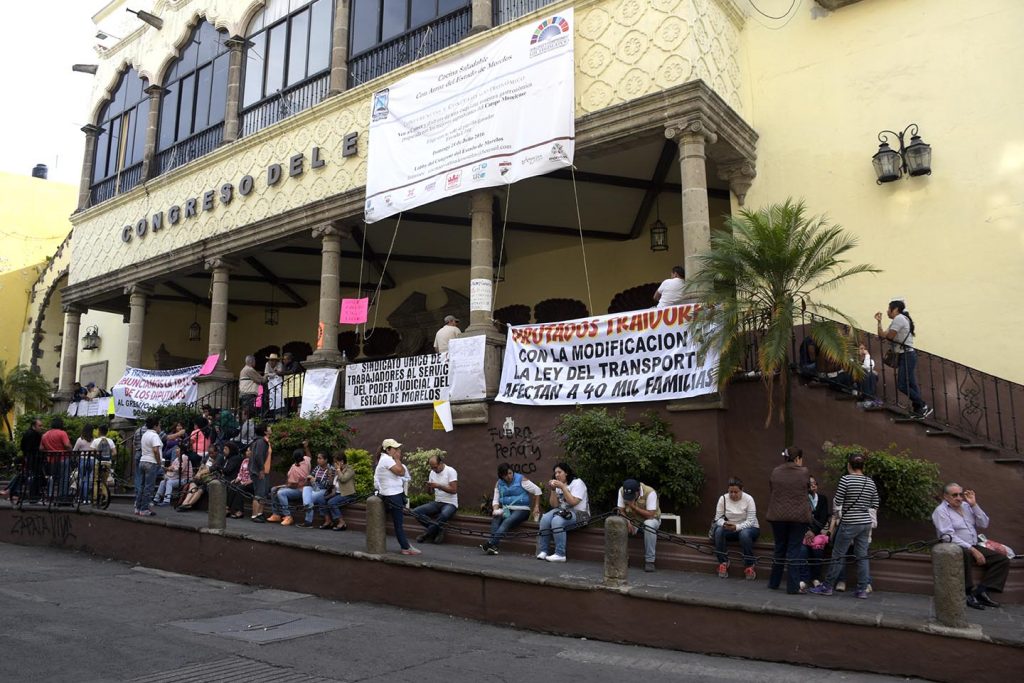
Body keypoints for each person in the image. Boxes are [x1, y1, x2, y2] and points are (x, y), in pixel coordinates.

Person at [810, 452, 880, 599]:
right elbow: (875, 503)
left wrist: (840, 515)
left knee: (838, 554)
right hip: (865, 523)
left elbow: (838, 502)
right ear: (863, 466)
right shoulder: (870, 482)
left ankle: (827, 586)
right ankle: (862, 589)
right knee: (862, 556)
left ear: (849, 465)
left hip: (849, 522)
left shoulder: (845, 480)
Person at [931, 483, 1008, 610]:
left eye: (960, 494)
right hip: (953, 547)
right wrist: (972, 550)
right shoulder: (941, 511)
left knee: (1001, 560)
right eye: (954, 495)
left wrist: (974, 505)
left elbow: (984, 523)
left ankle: (982, 591)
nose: (959, 498)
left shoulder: (967, 506)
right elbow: (947, 536)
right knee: (965, 553)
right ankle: (967, 594)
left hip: (973, 545)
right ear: (946, 496)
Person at [875, 299, 932, 418]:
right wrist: (879, 322)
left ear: (895, 309)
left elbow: (889, 336)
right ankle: (919, 410)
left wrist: (887, 335)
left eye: (888, 308)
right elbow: (882, 335)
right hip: (905, 355)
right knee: (911, 384)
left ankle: (922, 405)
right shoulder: (897, 320)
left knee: (902, 385)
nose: (887, 311)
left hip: (906, 355)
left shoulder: (899, 318)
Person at [766, 447, 811, 594]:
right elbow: (807, 488)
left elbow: (772, 488)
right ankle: (793, 587)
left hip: (777, 516)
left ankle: (774, 583)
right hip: (798, 518)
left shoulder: (775, 471)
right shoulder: (804, 472)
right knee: (793, 550)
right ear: (798, 458)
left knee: (779, 548)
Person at [481, 463, 541, 555]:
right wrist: (495, 510)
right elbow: (496, 500)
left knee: (507, 521)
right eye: (506, 475)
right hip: (507, 509)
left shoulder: (521, 479)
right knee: (496, 519)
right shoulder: (499, 483)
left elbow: (537, 490)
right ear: (501, 476)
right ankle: (493, 546)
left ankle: (491, 543)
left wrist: (536, 506)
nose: (509, 476)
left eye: (510, 473)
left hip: (522, 510)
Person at [536, 462, 589, 563]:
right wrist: (553, 490)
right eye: (555, 473)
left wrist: (563, 488)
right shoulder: (559, 485)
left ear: (567, 473)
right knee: (545, 518)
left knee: (557, 520)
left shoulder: (577, 483)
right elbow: (554, 505)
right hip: (563, 511)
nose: (557, 475)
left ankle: (560, 554)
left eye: (559, 472)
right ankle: (543, 551)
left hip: (580, 514)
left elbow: (573, 502)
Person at [374, 438, 420, 555]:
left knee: (398, 523)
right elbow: (401, 472)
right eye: (395, 448)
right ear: (388, 450)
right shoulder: (387, 460)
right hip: (392, 495)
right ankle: (405, 547)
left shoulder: (386, 459)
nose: (397, 450)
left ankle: (406, 545)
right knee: (398, 523)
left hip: (394, 494)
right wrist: (398, 459)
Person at [712, 477, 760, 580]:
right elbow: (718, 519)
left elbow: (751, 521)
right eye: (730, 492)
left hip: (750, 528)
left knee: (744, 534)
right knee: (719, 531)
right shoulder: (723, 499)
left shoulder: (749, 499)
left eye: (736, 492)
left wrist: (737, 527)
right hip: (730, 528)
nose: (733, 494)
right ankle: (723, 562)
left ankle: (749, 565)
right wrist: (725, 524)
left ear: (742, 489)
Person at [617, 478, 662, 572]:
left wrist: (633, 507)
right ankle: (623, 559)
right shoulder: (621, 490)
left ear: (638, 491)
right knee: (620, 524)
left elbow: (650, 515)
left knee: (648, 524)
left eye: (632, 496)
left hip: (651, 519)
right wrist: (627, 521)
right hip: (633, 520)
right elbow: (620, 510)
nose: (630, 498)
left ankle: (650, 561)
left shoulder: (650, 492)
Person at [413, 454, 459, 544]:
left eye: (435, 467)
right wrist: (429, 487)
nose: (434, 470)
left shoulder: (450, 471)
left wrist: (438, 486)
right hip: (437, 502)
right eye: (432, 468)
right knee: (416, 512)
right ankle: (438, 529)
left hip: (450, 503)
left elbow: (454, 490)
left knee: (444, 515)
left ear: (441, 463)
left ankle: (427, 534)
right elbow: (430, 493)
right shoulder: (432, 473)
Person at [268, 443, 312, 526]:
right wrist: (306, 447)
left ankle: (288, 515)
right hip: (303, 488)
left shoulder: (294, 469)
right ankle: (276, 514)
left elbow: (293, 485)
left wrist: (281, 487)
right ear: (302, 456)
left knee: (280, 492)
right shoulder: (306, 461)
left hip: (298, 490)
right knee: (273, 489)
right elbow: (309, 456)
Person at [800, 475, 831, 589]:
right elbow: (800, 517)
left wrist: (813, 532)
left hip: (817, 533)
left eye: (815, 483)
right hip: (804, 533)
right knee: (802, 551)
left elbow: (823, 518)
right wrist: (807, 531)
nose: (813, 485)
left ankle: (815, 578)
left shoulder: (822, 499)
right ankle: (804, 578)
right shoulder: (802, 499)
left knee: (817, 551)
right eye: (810, 483)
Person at [135, 417, 163, 516]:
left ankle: (138, 507)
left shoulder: (145, 435)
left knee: (142, 486)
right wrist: (159, 461)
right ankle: (144, 509)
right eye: (159, 425)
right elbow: (155, 450)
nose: (160, 427)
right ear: (155, 426)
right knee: (149, 487)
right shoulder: (154, 436)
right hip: (151, 462)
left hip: (142, 461)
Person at [41, 417, 72, 503]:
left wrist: (49, 450)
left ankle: (50, 495)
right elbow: (67, 445)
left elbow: (41, 448)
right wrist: (71, 449)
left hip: (51, 459)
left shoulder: (45, 435)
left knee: (51, 477)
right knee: (64, 477)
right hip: (63, 458)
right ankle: (62, 495)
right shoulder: (62, 433)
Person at [301, 450, 335, 529]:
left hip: (323, 490)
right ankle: (307, 505)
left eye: (320, 458)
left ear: (326, 460)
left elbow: (329, 485)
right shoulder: (317, 468)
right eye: (317, 458)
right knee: (306, 488)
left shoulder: (331, 469)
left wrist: (316, 479)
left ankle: (308, 521)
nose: (318, 460)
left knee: (310, 499)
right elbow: (311, 476)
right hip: (314, 488)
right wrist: (309, 478)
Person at [324, 452, 357, 531]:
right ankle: (329, 521)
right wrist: (330, 476)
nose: (334, 464)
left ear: (341, 461)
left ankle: (342, 522)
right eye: (334, 462)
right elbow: (332, 483)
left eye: (336, 462)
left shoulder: (349, 469)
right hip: (337, 493)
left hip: (348, 494)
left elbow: (343, 479)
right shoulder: (337, 470)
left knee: (332, 502)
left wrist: (338, 470)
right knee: (324, 500)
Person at [249, 424, 272, 522]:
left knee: (263, 493)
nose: (271, 429)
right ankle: (255, 515)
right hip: (260, 471)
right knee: (258, 493)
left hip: (265, 470)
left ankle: (260, 513)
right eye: (268, 428)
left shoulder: (264, 441)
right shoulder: (261, 442)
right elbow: (258, 456)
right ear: (265, 432)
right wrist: (261, 469)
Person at [226, 445, 254, 518]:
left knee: (240, 488)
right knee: (232, 486)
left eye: (248, 450)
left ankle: (239, 511)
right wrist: (237, 478)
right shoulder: (245, 460)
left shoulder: (254, 462)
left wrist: (249, 481)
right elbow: (240, 472)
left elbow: (255, 475)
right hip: (242, 481)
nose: (247, 452)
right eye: (247, 450)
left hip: (251, 483)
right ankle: (227, 508)